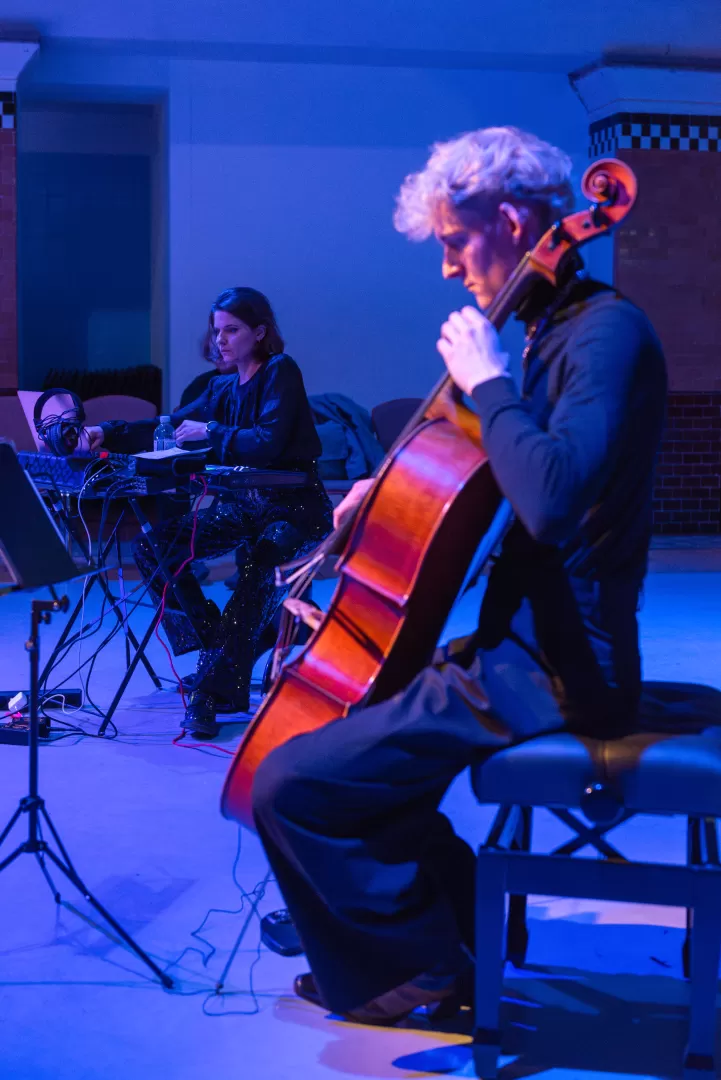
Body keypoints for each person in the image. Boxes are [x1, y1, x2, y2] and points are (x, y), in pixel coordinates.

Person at [250, 127, 668, 1024]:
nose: (447, 269)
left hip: (560, 671)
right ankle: (456, 941)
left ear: (512, 221)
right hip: (513, 647)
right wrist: (386, 485)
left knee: (290, 784)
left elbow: (551, 496)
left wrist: (484, 382)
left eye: (453, 242)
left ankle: (429, 968)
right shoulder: (549, 331)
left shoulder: (605, 335)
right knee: (354, 768)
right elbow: (498, 474)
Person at [86, 287, 333, 737]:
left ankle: (214, 689)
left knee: (262, 564)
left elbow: (268, 442)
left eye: (232, 330)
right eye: (217, 331)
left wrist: (212, 431)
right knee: (153, 547)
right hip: (244, 506)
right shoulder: (219, 387)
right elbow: (167, 425)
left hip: (295, 510)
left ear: (259, 332)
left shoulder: (281, 371)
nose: (220, 340)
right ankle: (218, 651)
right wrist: (107, 431)